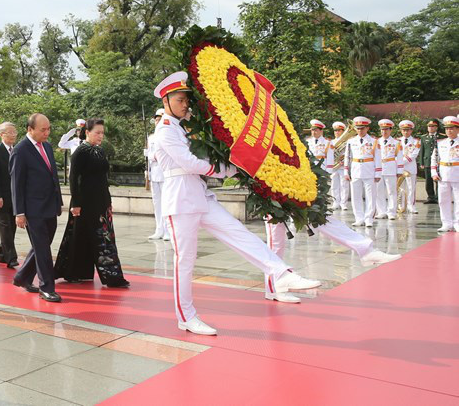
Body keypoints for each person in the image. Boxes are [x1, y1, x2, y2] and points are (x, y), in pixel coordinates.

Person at [152, 72, 320, 336]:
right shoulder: (164, 130)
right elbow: (190, 163)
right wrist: (230, 169)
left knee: (238, 233)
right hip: (180, 201)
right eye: (181, 100)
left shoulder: (184, 126)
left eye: (187, 100)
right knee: (185, 261)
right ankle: (186, 316)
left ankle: (281, 272)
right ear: (166, 101)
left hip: (200, 196)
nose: (186, 105)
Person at [55, 118, 129, 287]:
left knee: (101, 237)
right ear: (87, 132)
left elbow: (103, 178)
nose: (100, 136)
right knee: (82, 236)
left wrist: (108, 200)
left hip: (101, 201)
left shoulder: (100, 151)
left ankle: (98, 275)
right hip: (85, 202)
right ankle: (104, 276)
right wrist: (76, 203)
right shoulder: (81, 151)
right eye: (97, 132)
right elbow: (74, 178)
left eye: (102, 133)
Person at [11, 113, 64, 303]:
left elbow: (52, 177)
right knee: (42, 249)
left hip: (50, 206)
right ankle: (46, 287)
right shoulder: (20, 150)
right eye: (43, 129)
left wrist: (58, 201)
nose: (47, 133)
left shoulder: (47, 147)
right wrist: (20, 212)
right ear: (30, 129)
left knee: (42, 245)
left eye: (48, 129)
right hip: (32, 209)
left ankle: (22, 277)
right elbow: (16, 184)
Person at [0, 121, 19, 268]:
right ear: (2, 135)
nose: (13, 135)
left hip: (14, 197)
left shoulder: (17, 151)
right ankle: (11, 257)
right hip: (0, 197)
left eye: (15, 132)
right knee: (5, 226)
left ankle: (2, 253)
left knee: (11, 227)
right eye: (10, 132)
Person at [344, 116, 382, 227]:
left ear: (367, 128)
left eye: (362, 128)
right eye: (358, 128)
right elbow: (347, 157)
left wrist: (378, 173)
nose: (360, 130)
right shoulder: (351, 141)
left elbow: (378, 158)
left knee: (371, 196)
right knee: (356, 196)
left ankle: (369, 218)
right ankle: (359, 218)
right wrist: (346, 171)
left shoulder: (374, 141)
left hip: (369, 169)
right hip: (355, 169)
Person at [432, 116, 459, 232]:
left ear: (457, 129)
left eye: (452, 128)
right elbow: (434, 158)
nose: (449, 131)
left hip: (457, 173)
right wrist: (434, 172)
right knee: (443, 200)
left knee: (458, 200)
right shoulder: (440, 143)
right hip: (443, 174)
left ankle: (457, 223)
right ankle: (446, 223)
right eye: (447, 128)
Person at [146, 109, 169, 241]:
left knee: (166, 202)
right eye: (156, 119)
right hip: (154, 172)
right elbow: (149, 155)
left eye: (159, 118)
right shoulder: (151, 138)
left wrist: (154, 156)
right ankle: (159, 229)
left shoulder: (167, 135)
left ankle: (167, 231)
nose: (157, 121)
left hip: (165, 172)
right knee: (157, 203)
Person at [375, 119, 400, 220]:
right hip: (379, 168)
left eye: (386, 129)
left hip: (390, 168)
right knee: (378, 191)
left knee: (391, 191)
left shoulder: (396, 142)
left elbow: (400, 157)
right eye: (382, 130)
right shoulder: (376, 142)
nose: (384, 132)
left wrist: (399, 171)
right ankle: (381, 211)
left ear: (390, 130)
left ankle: (391, 212)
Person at [397, 120, 421, 214]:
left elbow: (414, 154)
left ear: (411, 130)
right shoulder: (397, 141)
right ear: (401, 130)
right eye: (404, 130)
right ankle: (401, 205)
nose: (406, 132)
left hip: (410, 167)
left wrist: (402, 161)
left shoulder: (416, 141)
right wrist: (399, 163)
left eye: (408, 130)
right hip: (399, 168)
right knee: (400, 187)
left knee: (411, 188)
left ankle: (411, 205)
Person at [421, 119, 443, 204]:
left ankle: (437, 197)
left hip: (438, 162)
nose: (430, 128)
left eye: (432, 126)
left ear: (437, 127)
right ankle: (430, 197)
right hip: (427, 161)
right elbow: (422, 150)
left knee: (438, 180)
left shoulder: (441, 137)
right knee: (428, 181)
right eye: (429, 126)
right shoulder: (424, 137)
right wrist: (422, 162)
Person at [330, 121, 350, 211]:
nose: (337, 132)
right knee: (334, 185)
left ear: (343, 131)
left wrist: (343, 161)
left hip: (342, 166)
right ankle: (335, 202)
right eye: (335, 130)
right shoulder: (331, 142)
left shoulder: (347, 142)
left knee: (344, 185)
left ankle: (343, 203)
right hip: (334, 167)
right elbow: (329, 155)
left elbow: (348, 154)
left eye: (339, 130)